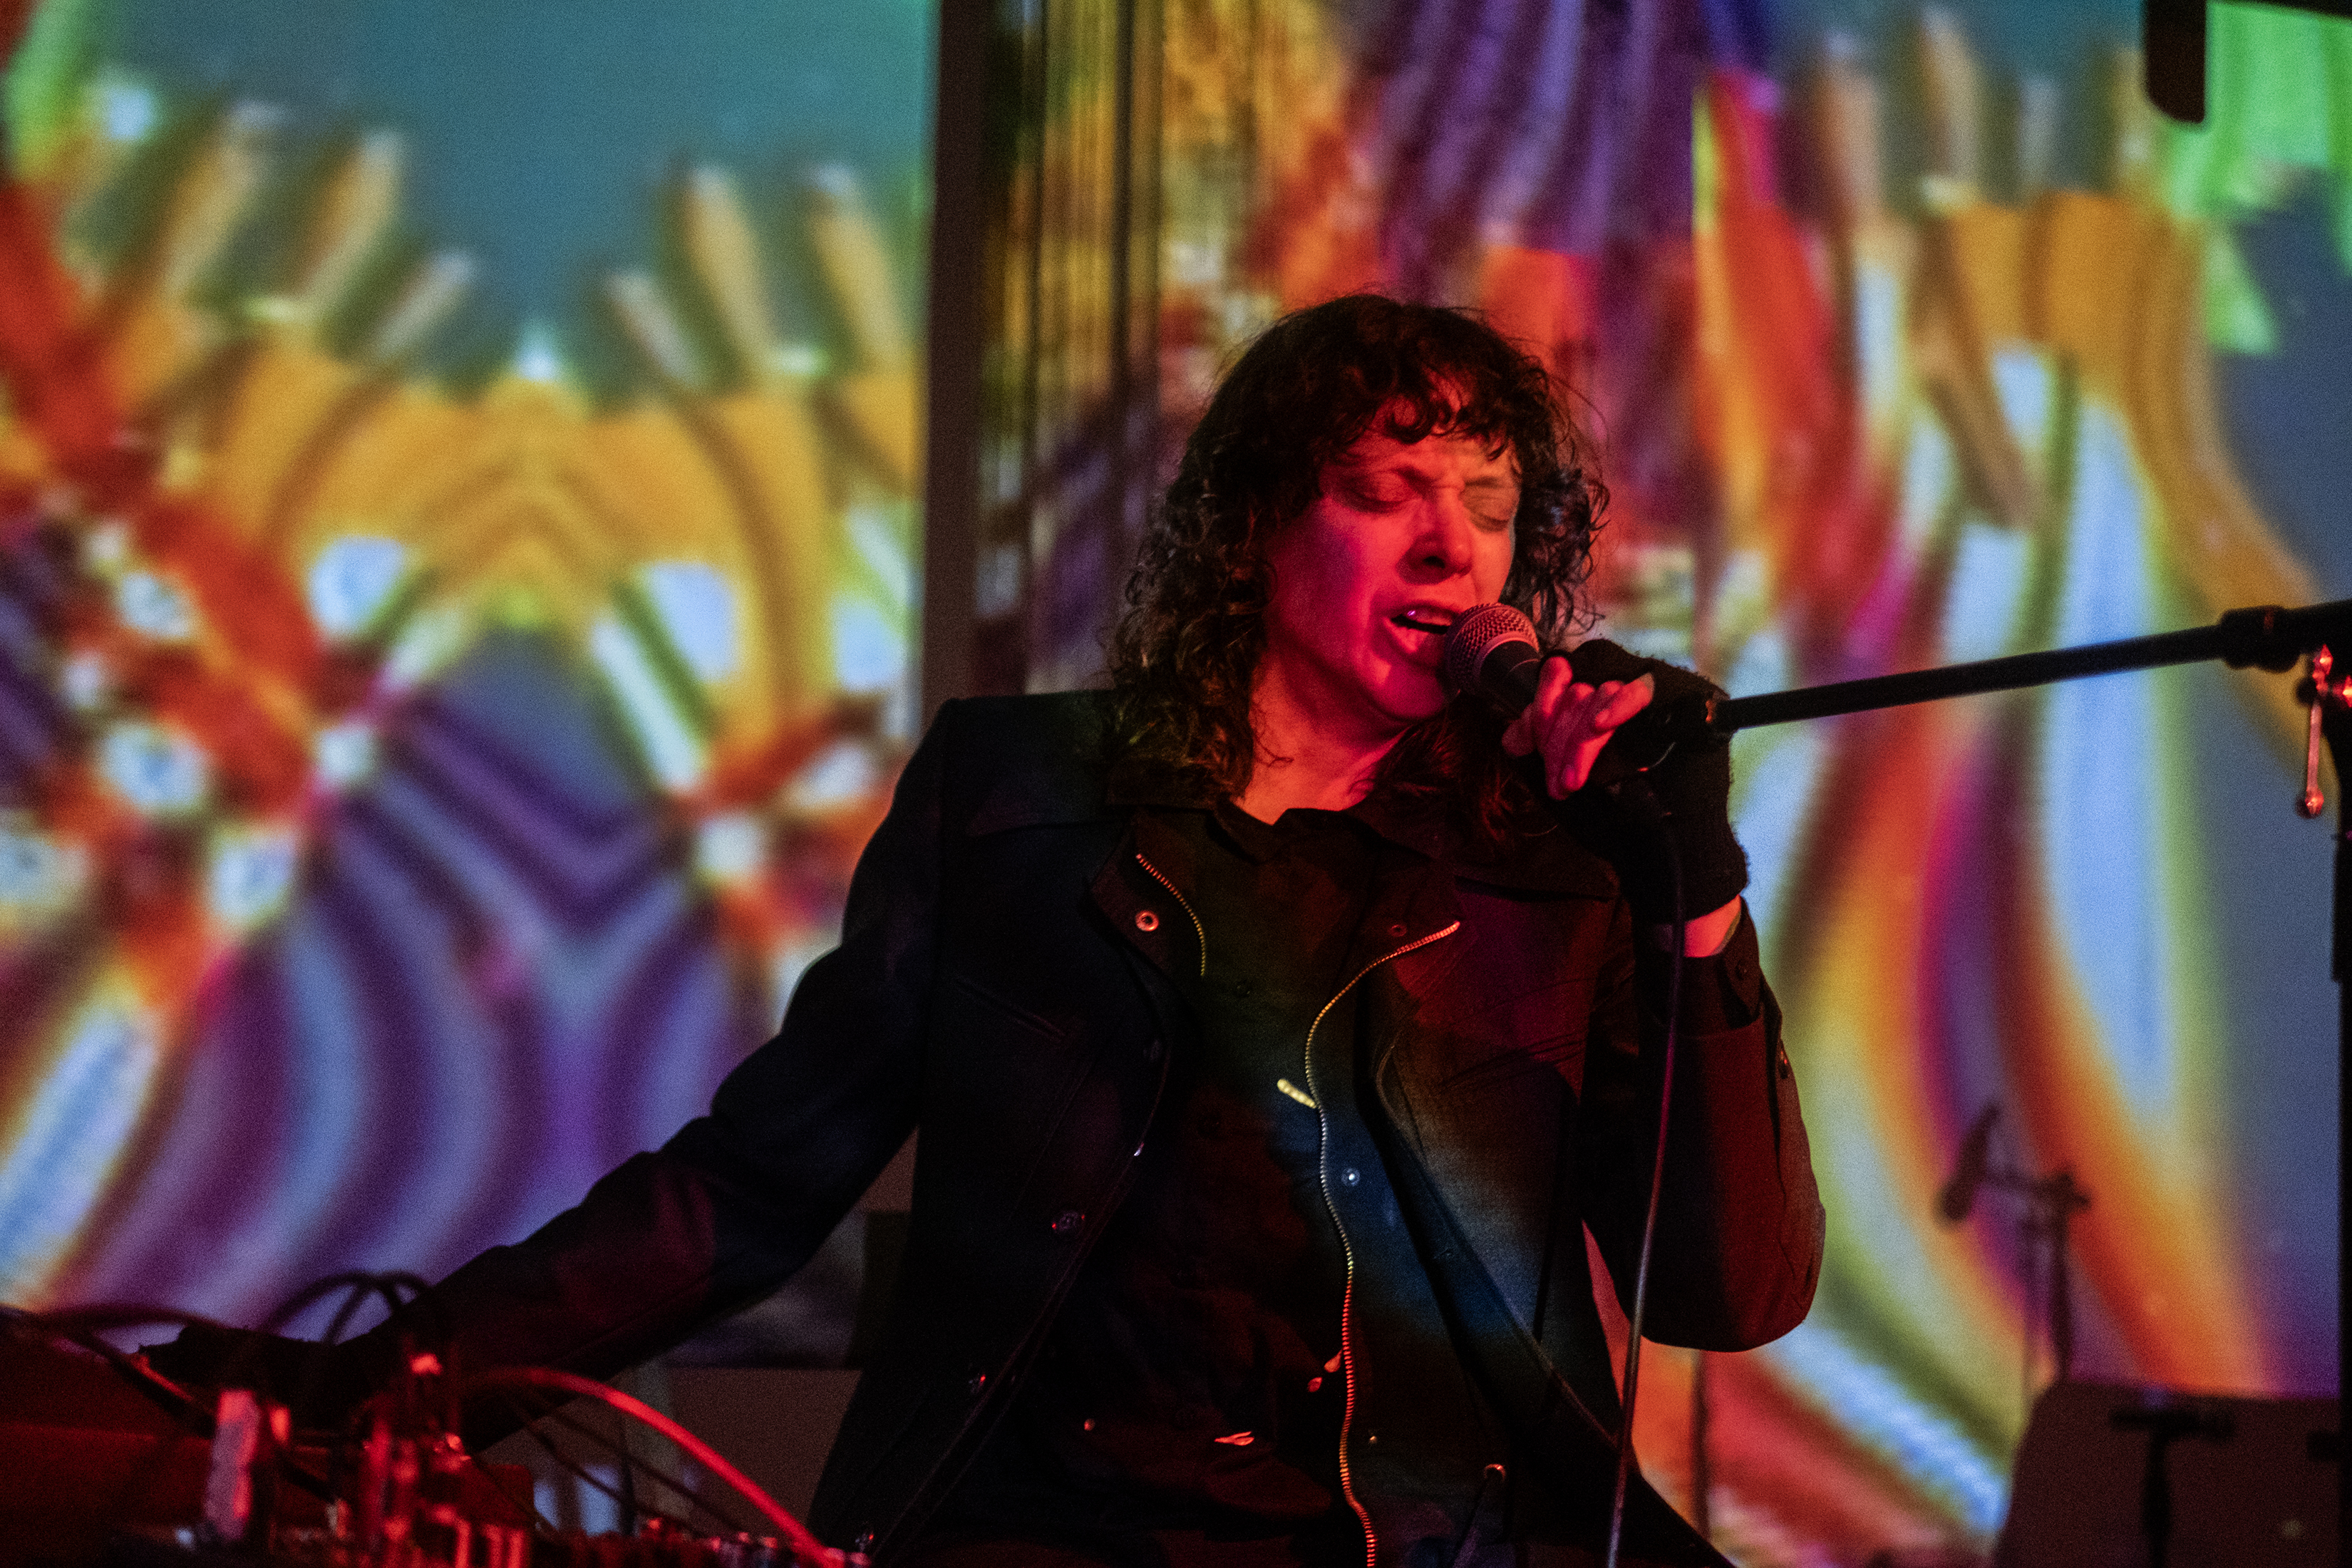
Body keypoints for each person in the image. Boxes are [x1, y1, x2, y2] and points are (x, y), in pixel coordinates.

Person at [164, 295, 1822, 1566]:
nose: (1453, 546)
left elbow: (1730, 1288)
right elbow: (748, 1188)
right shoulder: (1020, 801)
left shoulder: (1559, 872)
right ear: (1256, 529)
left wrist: (1694, 890)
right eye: (1391, 491)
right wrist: (380, 1395)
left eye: (1486, 497)